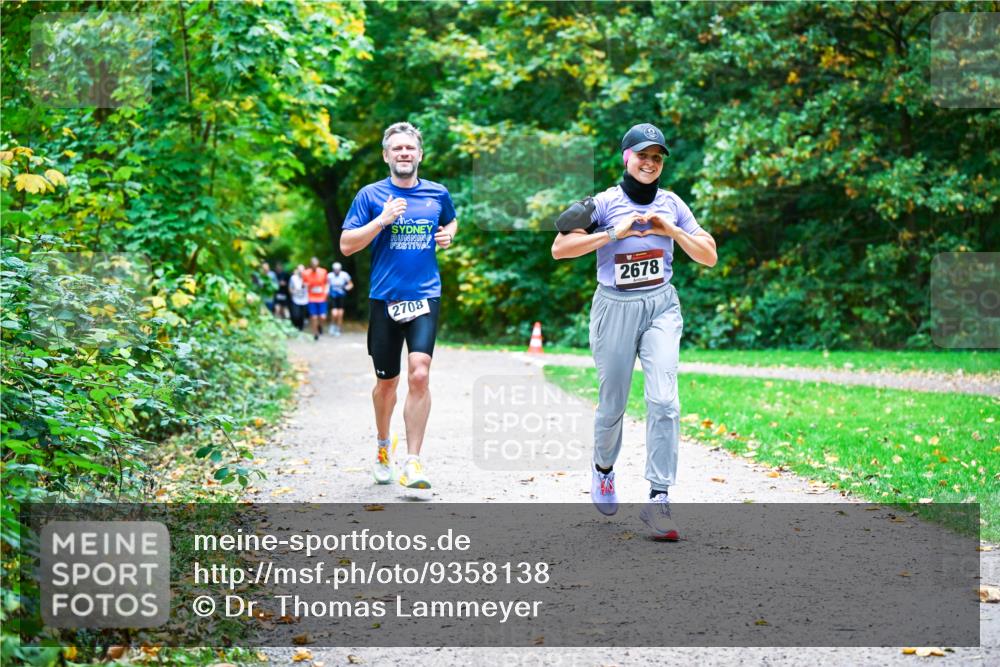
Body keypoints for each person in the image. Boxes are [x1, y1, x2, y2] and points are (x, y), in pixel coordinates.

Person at [551, 122, 717, 540]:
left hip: (661, 304)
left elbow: (709, 255)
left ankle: (659, 498)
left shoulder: (673, 204)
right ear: (626, 157)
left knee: (665, 400)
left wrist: (671, 230)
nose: (650, 162)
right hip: (614, 307)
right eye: (642, 155)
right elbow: (560, 248)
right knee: (612, 405)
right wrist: (613, 233)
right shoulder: (606, 203)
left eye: (657, 157)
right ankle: (603, 469)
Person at [340, 121, 457, 490]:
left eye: (410, 148)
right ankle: (381, 446)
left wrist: (448, 235)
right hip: (384, 298)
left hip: (424, 294)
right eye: (397, 149)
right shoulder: (370, 196)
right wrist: (382, 219)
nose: (404, 153)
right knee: (386, 383)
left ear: (419, 154)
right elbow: (346, 245)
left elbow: (451, 221)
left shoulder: (437, 193)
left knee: (419, 373)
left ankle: (414, 461)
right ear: (386, 155)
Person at [301, 257, 329, 340]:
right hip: (311, 298)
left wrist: (326, 292)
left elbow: (327, 283)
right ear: (310, 265)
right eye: (313, 265)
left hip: (322, 297)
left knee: (322, 317)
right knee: (314, 317)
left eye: (316, 265)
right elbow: (303, 284)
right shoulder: (305, 273)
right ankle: (315, 333)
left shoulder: (323, 272)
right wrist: (305, 285)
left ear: (318, 264)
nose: (314, 267)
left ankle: (320, 326)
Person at [327, 261, 354, 336]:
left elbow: (351, 284)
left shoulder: (344, 275)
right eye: (335, 269)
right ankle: (332, 325)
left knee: (340, 314)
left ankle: (338, 329)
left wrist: (347, 288)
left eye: (338, 269)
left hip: (341, 296)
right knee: (334, 313)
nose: (336, 271)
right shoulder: (329, 276)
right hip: (333, 296)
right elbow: (326, 285)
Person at [289, 264, 309, 331]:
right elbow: (290, 288)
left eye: (302, 270)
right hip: (296, 299)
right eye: (300, 270)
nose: (301, 272)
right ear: (297, 270)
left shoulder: (308, 278)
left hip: (305, 300)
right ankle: (296, 325)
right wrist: (293, 292)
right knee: (296, 315)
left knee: (302, 316)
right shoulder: (293, 278)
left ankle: (301, 328)